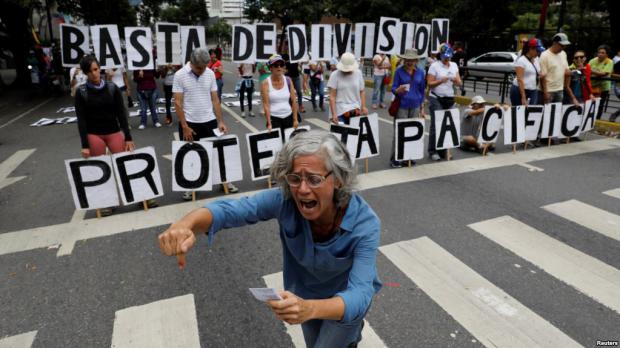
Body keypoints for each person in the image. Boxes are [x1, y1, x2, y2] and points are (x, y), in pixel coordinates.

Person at [158, 130, 382, 348]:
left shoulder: (365, 224)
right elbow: (232, 210)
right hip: (304, 296)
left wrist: (310, 308)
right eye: (295, 178)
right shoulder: (284, 201)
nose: (302, 189)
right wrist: (185, 225)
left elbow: (361, 293)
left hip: (343, 305)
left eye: (314, 179)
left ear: (339, 180)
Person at [74, 55, 138, 216]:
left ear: (100, 68)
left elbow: (121, 114)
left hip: (114, 132)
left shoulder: (112, 88)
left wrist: (128, 137)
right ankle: (107, 203)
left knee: (125, 164)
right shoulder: (81, 92)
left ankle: (138, 195)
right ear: (85, 73)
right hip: (94, 135)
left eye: (96, 70)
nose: (94, 74)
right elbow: (81, 121)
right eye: (90, 72)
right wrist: (85, 146)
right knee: (101, 170)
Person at [173, 48, 238, 198]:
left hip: (209, 120)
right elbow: (177, 102)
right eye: (199, 68)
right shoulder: (180, 75)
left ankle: (224, 181)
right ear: (192, 63)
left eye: (204, 67)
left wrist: (220, 121)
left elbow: (215, 99)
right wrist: (184, 126)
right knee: (190, 155)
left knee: (216, 153)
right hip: (190, 123)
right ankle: (191, 186)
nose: (202, 70)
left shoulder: (209, 74)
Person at [390, 49, 425, 168]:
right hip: (402, 106)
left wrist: (422, 107)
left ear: (416, 60)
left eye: (412, 60)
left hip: (415, 105)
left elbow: (422, 90)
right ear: (404, 60)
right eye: (408, 60)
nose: (410, 62)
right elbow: (393, 88)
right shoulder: (399, 72)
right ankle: (396, 158)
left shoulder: (420, 72)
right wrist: (397, 90)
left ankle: (408, 157)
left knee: (412, 132)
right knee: (400, 132)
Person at [427, 43, 461, 161]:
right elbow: (430, 84)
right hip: (436, 97)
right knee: (436, 125)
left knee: (448, 125)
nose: (447, 59)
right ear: (440, 55)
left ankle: (444, 151)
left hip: (449, 98)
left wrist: (456, 81)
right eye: (445, 57)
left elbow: (459, 82)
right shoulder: (434, 66)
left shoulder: (454, 65)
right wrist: (441, 80)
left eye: (449, 57)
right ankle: (432, 151)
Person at [261, 54, 299, 134]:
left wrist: (295, 119)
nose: (279, 67)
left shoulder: (288, 80)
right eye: (276, 65)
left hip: (288, 117)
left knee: (289, 144)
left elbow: (294, 101)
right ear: (270, 68)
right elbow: (266, 105)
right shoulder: (265, 83)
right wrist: (269, 123)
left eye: (281, 65)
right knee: (278, 145)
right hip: (274, 119)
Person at [327, 52, 368, 125]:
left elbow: (362, 91)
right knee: (340, 136)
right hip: (340, 111)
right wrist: (334, 114)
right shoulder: (335, 75)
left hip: (355, 110)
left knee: (355, 135)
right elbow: (332, 97)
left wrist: (363, 106)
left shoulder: (358, 73)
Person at [539, 33, 579, 105]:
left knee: (556, 113)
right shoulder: (545, 55)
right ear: (554, 43)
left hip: (560, 89)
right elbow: (542, 76)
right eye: (561, 45)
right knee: (546, 113)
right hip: (548, 90)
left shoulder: (563, 54)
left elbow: (566, 70)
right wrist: (545, 92)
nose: (563, 47)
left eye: (564, 46)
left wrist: (572, 72)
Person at [510, 38, 543, 106]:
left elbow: (538, 71)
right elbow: (520, 79)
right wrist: (523, 97)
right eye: (537, 51)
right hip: (519, 90)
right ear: (531, 49)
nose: (539, 53)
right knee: (518, 112)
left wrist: (541, 74)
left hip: (533, 89)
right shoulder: (521, 61)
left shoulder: (536, 59)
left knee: (531, 112)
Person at [589, 44, 613, 112]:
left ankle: (597, 119)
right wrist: (596, 73)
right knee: (590, 103)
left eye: (603, 53)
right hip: (592, 86)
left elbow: (604, 73)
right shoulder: (592, 60)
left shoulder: (609, 62)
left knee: (599, 105)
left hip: (603, 88)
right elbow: (587, 71)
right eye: (599, 52)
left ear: (607, 54)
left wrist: (592, 71)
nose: (600, 54)